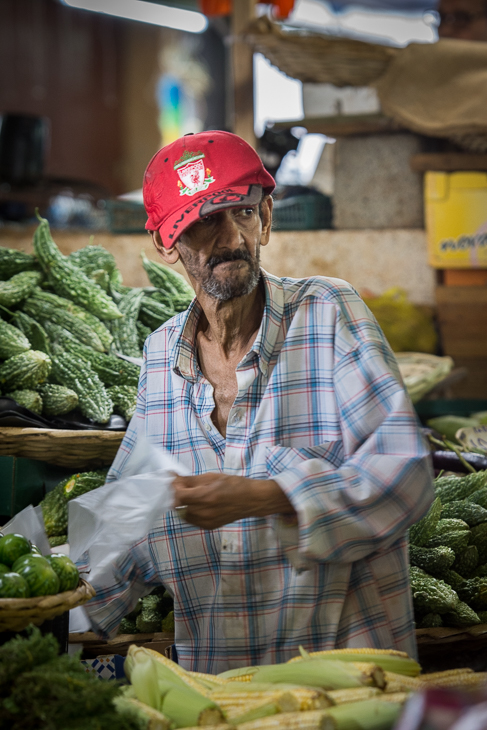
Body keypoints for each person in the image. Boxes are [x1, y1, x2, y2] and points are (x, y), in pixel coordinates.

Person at [85, 130, 434, 673]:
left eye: (241, 212)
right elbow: (128, 527)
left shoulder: (327, 314)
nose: (228, 237)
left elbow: (405, 475)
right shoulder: (161, 359)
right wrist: (49, 607)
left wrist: (267, 496)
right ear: (165, 242)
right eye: (201, 221)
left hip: (346, 687)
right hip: (221, 693)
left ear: (266, 218)